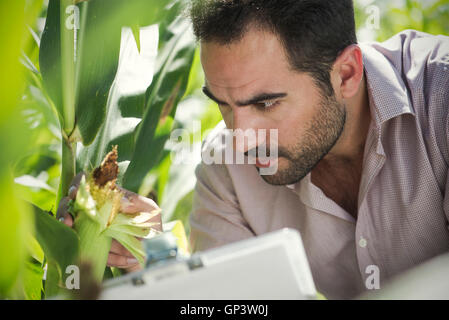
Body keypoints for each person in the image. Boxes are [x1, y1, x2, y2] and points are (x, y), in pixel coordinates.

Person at [59, 0, 449, 299]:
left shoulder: (441, 102)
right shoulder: (225, 170)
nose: (241, 139)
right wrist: (158, 260)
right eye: (224, 105)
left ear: (346, 73)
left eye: (265, 104)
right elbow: (232, 303)